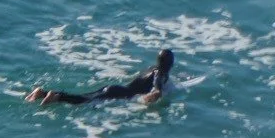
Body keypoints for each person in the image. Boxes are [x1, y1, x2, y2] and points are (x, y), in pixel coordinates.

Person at [26, 48, 173, 106]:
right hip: (121, 93)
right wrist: (154, 97)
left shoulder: (150, 68)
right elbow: (157, 88)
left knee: (84, 97)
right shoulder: (161, 73)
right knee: (83, 101)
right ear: (169, 63)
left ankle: (43, 93)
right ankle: (56, 96)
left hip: (116, 88)